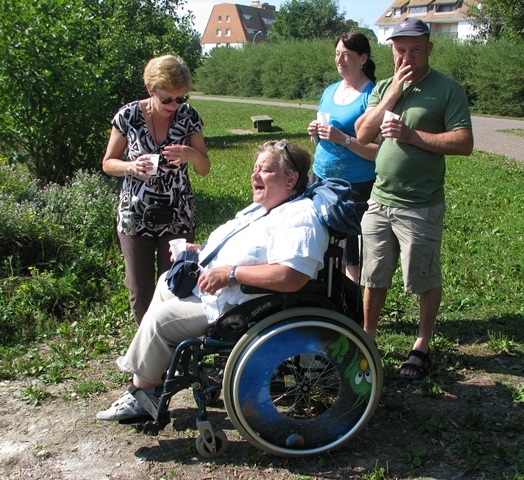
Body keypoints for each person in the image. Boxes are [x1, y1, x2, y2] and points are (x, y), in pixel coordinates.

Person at [97, 141, 329, 421]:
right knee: (165, 285)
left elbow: (291, 276)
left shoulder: (299, 218)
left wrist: (230, 273)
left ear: (291, 179)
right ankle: (157, 377)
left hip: (241, 305)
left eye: (264, 171)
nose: (254, 176)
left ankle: (141, 392)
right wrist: (200, 252)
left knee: (162, 319)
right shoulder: (266, 208)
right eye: (255, 169)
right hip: (219, 293)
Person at [354, 18, 473, 380]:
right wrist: (391, 96)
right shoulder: (385, 87)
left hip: (420, 204)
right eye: (400, 49)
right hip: (379, 200)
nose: (407, 56)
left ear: (429, 49)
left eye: (415, 49)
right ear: (392, 50)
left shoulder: (447, 89)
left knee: (422, 274)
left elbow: (464, 143)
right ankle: (368, 337)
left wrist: (411, 135)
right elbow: (362, 133)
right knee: (373, 274)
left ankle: (422, 344)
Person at [102, 55, 210, 325]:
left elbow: (204, 167)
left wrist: (192, 155)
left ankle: (170, 348)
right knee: (140, 290)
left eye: (180, 99)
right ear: (151, 90)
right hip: (136, 213)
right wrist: (130, 167)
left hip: (177, 214)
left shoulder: (189, 117)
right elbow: (108, 163)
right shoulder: (128, 116)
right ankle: (147, 344)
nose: (174, 105)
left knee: (176, 285)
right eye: (167, 100)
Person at [307, 32, 379, 283]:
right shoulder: (329, 91)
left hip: (354, 185)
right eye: (337, 54)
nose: (340, 60)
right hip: (319, 178)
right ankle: (325, 295)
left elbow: (378, 151)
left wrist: (343, 139)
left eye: (346, 55)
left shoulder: (372, 95)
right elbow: (323, 138)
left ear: (363, 58)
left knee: (350, 250)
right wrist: (315, 133)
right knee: (319, 239)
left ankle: (349, 303)